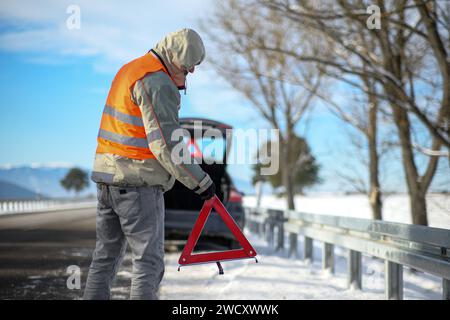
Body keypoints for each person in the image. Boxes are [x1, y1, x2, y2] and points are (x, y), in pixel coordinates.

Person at [83, 28, 215, 300]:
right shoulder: (157, 82)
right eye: (188, 67)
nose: (190, 73)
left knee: (105, 258)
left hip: (107, 179)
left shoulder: (130, 69)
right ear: (175, 58)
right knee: (148, 262)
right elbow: (165, 144)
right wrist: (200, 182)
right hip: (137, 185)